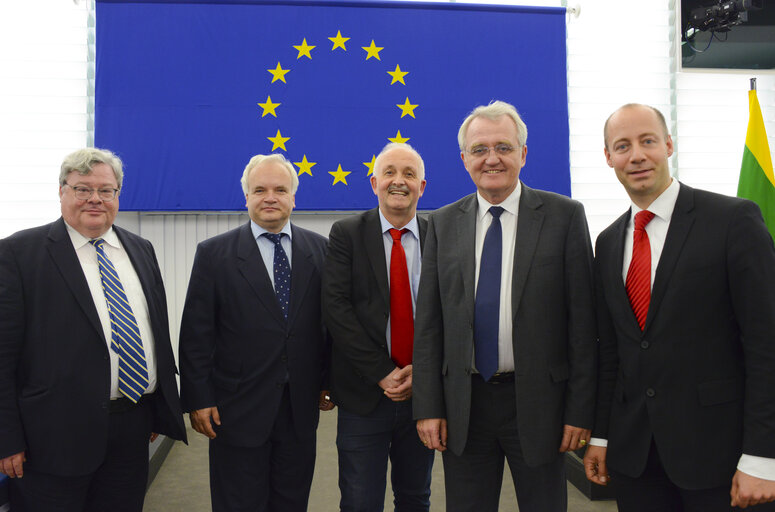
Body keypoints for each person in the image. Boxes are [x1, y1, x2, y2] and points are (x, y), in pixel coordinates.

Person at [584, 103, 775, 511]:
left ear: (668, 145)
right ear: (608, 158)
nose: (636, 155)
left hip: (721, 458)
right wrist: (601, 436)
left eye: (647, 141)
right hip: (637, 461)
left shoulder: (733, 220)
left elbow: (767, 345)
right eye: (622, 145)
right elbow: (611, 353)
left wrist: (763, 455)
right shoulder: (608, 242)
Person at [412, 100, 597, 511]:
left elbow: (583, 325)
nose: (491, 158)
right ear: (464, 159)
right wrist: (427, 407)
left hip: (540, 405)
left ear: (523, 154)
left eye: (503, 147)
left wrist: (581, 411)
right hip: (465, 405)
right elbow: (429, 326)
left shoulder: (564, 216)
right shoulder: (442, 223)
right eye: (479, 149)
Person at [0, 147, 187, 511]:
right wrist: (7, 438)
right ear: (61, 191)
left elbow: (154, 334)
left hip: (132, 427)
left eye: (106, 190)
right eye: (82, 189)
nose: (95, 199)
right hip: (52, 439)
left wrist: (156, 407)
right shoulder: (19, 254)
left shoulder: (140, 249)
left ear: (118, 195)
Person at [179, 153, 332, 512]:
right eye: (259, 189)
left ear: (294, 197)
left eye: (280, 189)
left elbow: (329, 326)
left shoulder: (321, 250)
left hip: (299, 408)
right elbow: (196, 335)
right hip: (236, 411)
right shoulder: (214, 255)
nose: (270, 197)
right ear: (246, 196)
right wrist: (198, 398)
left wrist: (330, 380)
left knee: (291, 501)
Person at [323, 142, 434, 511]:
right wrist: (383, 373)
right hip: (364, 396)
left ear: (422, 186)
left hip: (425, 395)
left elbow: (452, 312)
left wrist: (424, 371)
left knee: (416, 498)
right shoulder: (346, 234)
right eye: (389, 173)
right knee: (359, 501)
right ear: (374, 183)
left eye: (409, 174)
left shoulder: (441, 234)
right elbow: (337, 311)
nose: (398, 181)